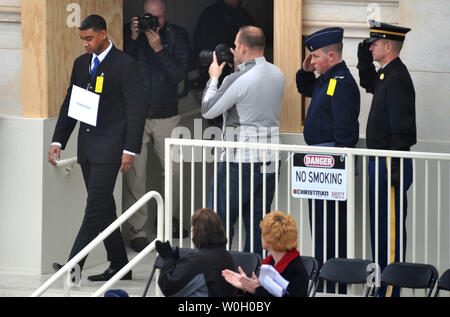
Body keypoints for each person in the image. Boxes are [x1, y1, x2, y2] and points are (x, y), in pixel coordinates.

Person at [48, 15, 146, 281]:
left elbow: (136, 111)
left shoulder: (125, 65)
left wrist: (130, 148)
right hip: (88, 147)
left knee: (94, 208)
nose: (85, 44)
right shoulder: (81, 64)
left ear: (103, 34)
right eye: (82, 39)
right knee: (104, 208)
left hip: (112, 148)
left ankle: (74, 266)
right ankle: (119, 264)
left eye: (89, 38)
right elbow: (71, 103)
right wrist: (58, 140)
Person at [201, 26, 285, 256]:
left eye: (236, 46)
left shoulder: (239, 79)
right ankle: (253, 279)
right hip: (269, 160)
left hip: (238, 162)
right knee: (258, 225)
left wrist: (214, 79)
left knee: (219, 222)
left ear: (244, 48)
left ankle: (220, 276)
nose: (233, 50)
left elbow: (208, 110)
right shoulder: (277, 73)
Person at [295, 27, 360, 293]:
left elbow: (346, 132)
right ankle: (324, 284)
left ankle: (334, 288)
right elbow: (304, 86)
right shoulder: (327, 77)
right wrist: (306, 69)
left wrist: (334, 161)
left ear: (332, 55)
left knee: (332, 231)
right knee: (320, 229)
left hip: (331, 165)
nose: (313, 61)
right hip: (318, 166)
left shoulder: (341, 81)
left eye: (316, 57)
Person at [123, 0, 191, 252]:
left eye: (158, 19)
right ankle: (138, 231)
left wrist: (159, 48)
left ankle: (164, 225)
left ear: (166, 15)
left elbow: (178, 76)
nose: (154, 23)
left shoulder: (177, 35)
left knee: (173, 173)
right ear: (140, 16)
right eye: (148, 18)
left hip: (167, 114)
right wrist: (131, 38)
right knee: (135, 176)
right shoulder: (131, 33)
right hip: (135, 115)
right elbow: (120, 67)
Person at [357, 20, 416, 297]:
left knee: (389, 234)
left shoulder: (399, 78)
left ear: (389, 46)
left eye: (375, 44)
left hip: (390, 165)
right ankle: (381, 287)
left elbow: (402, 129)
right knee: (379, 230)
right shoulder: (386, 74)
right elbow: (370, 83)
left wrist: (396, 167)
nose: (371, 47)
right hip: (378, 163)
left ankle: (390, 291)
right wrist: (363, 62)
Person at [194, 0, 255, 128]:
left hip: (243, 81)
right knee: (218, 128)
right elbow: (199, 50)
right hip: (217, 78)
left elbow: (256, 50)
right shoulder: (210, 15)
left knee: (242, 126)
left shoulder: (244, 16)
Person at [222, 211, 309, 297]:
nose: (261, 236)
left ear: (270, 239)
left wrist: (257, 289)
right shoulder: (270, 263)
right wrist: (246, 287)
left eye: (263, 233)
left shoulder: (295, 270)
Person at [156, 208, 235, 297]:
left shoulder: (197, 260)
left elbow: (168, 287)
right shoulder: (226, 255)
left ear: (196, 231)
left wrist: (168, 260)